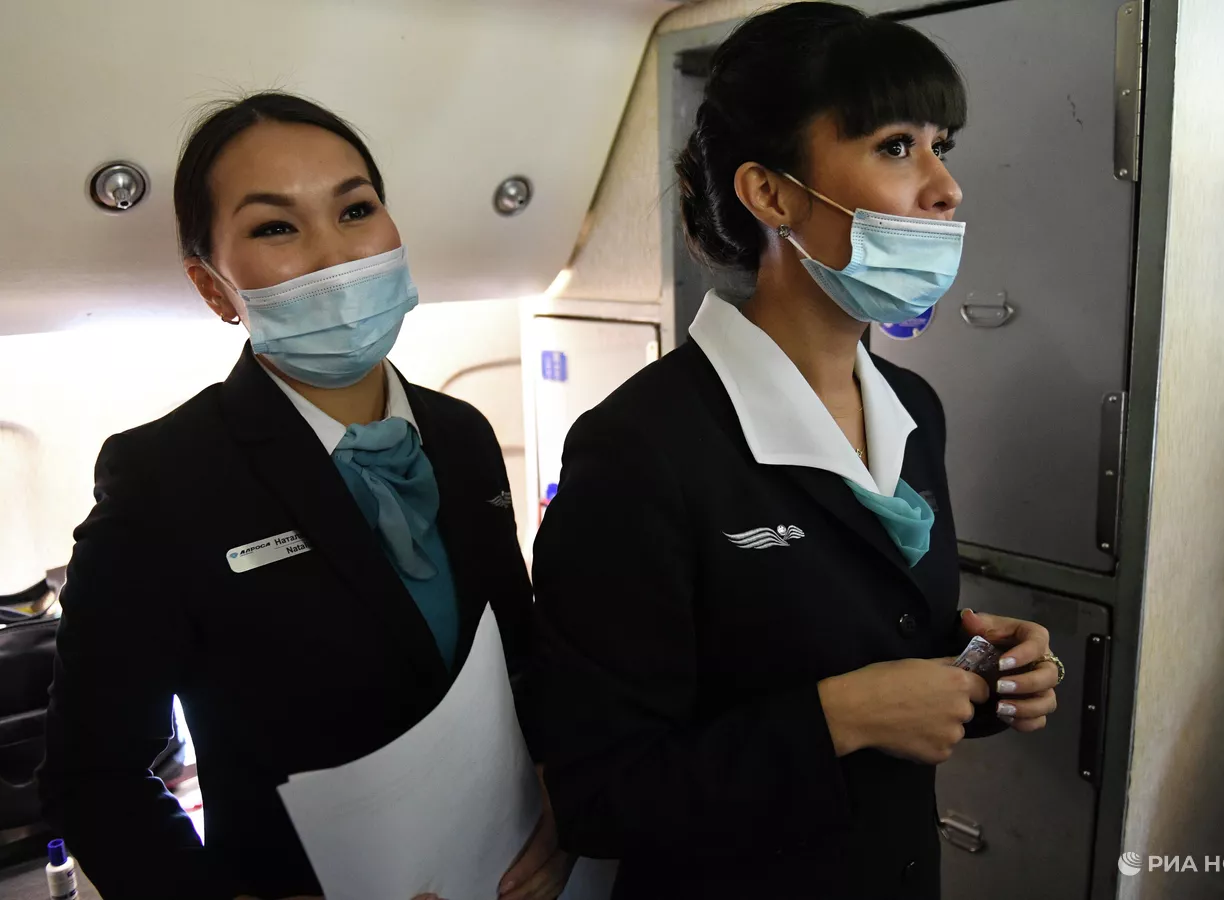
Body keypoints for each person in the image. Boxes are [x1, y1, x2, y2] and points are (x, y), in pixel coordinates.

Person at [526, 5, 1063, 898]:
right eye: (896, 147)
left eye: (944, 145)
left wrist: (986, 677)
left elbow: (888, 648)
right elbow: (601, 795)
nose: (944, 187)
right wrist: (834, 720)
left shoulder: (913, 411)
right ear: (772, 195)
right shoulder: (639, 450)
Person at [38, 92, 572, 900]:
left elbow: (525, 668)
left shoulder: (462, 436)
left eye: (356, 209)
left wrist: (564, 805)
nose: (335, 256)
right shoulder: (164, 481)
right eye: (275, 227)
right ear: (214, 288)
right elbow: (92, 775)